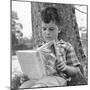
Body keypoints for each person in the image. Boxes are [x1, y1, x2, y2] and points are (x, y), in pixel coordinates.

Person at [20, 7, 84, 88]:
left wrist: (65, 67)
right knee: (24, 86)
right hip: (39, 79)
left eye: (51, 29)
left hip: (57, 79)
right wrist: (27, 74)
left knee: (40, 86)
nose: (47, 33)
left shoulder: (66, 46)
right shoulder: (39, 48)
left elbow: (76, 70)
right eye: (44, 29)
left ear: (59, 29)